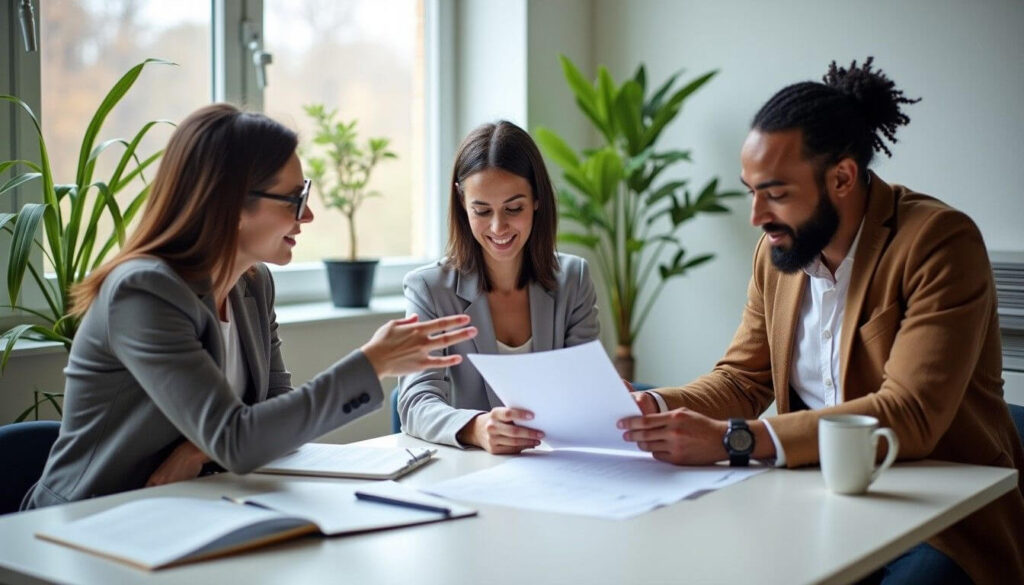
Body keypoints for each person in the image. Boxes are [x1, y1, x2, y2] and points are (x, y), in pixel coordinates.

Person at [618, 58, 1023, 585]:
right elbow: (743, 379)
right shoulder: (778, 254)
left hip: (940, 521)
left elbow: (911, 414)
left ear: (842, 177)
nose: (757, 216)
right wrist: (653, 406)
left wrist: (734, 440)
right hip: (814, 508)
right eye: (751, 190)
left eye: (777, 193)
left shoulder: (938, 242)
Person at [22, 104, 477, 509]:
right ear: (233, 203)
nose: (309, 216)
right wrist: (371, 362)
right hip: (88, 522)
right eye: (295, 199)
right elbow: (240, 439)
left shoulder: (252, 285)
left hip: (190, 507)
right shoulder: (144, 292)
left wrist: (200, 448)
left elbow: (272, 408)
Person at [398, 120, 599, 453]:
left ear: (536, 199)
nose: (498, 227)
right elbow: (415, 403)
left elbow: (585, 389)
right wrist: (476, 428)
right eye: (481, 210)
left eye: (513, 208)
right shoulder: (429, 289)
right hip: (472, 470)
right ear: (463, 206)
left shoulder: (573, 279)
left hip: (561, 466)